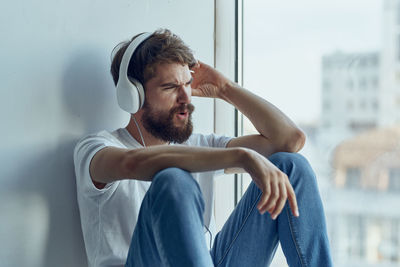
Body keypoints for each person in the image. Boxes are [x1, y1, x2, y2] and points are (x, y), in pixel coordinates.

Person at [74, 29, 333, 267]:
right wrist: (242, 156)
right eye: (171, 87)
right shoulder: (96, 148)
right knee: (173, 179)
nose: (186, 97)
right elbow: (133, 163)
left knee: (292, 166)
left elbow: (289, 140)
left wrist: (225, 89)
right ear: (134, 95)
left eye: (187, 83)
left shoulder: (200, 146)